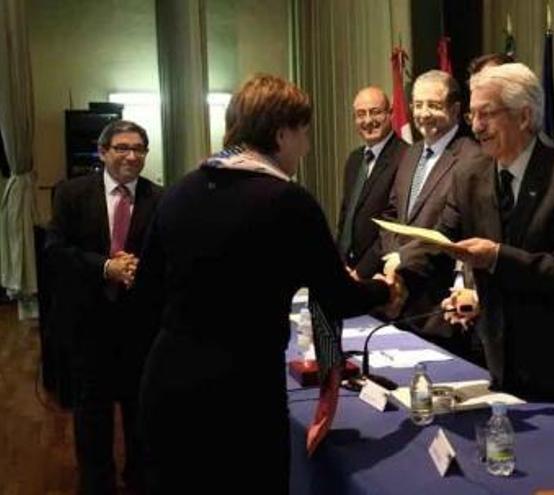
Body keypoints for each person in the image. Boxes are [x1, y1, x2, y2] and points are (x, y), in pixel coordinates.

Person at [136, 74, 399, 493]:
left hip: (167, 387)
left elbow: (146, 293)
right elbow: (338, 295)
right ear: (281, 134)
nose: (307, 146)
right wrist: (387, 287)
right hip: (239, 396)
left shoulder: (179, 191)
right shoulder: (288, 202)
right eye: (303, 133)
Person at [398, 63, 554, 419]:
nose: (476, 127)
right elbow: (439, 244)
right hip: (496, 359)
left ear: (524, 117)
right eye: (472, 114)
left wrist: (497, 257)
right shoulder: (469, 175)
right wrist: (395, 283)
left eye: (487, 114)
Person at [46, 120, 163, 494]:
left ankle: (139, 481)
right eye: (122, 148)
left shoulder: (159, 199)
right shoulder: (71, 194)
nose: (132, 156)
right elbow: (55, 251)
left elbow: (168, 257)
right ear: (102, 152)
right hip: (88, 325)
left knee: (139, 416)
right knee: (91, 418)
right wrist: (105, 267)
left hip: (140, 327)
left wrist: (136, 268)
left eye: (139, 149)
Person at [380, 70, 482, 359]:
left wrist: (404, 258)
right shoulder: (410, 153)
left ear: (455, 109)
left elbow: (454, 228)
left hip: (439, 309)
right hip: (400, 299)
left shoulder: (471, 158)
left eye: (433, 105)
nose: (423, 114)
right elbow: (391, 212)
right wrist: (392, 261)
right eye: (418, 105)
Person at [337, 86, 408, 278]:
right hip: (348, 271)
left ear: (390, 114)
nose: (368, 121)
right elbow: (346, 218)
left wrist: (361, 272)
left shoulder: (405, 157)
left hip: (380, 275)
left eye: (375, 112)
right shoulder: (354, 160)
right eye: (361, 114)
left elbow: (392, 225)